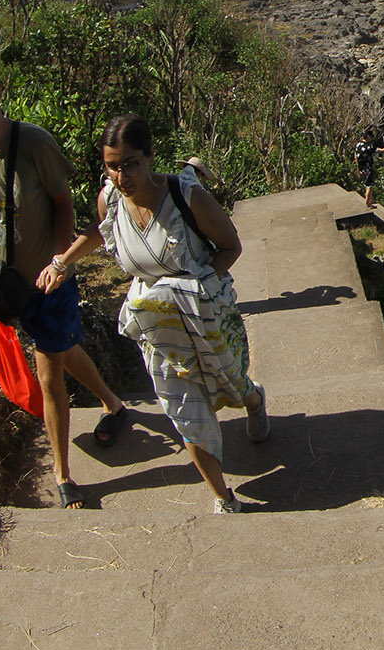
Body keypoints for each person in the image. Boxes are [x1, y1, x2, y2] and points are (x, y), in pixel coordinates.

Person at [45, 114, 270, 515]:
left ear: (150, 156)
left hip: (204, 316)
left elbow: (230, 246)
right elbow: (102, 230)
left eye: (130, 163)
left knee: (231, 386)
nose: (121, 175)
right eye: (112, 165)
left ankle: (254, 401)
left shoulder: (186, 197)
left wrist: (199, 284)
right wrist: (62, 263)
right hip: (158, 329)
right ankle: (224, 498)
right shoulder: (110, 198)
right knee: (184, 409)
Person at [0, 53, 128, 511]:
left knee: (48, 374)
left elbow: (63, 202)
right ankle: (113, 404)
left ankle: (63, 475)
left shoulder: (33, 143)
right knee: (62, 349)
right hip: (8, 287)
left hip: (50, 282)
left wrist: (60, 260)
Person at [354, 126, 384, 208]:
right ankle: (368, 203)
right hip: (369, 168)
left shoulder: (358, 145)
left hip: (362, 168)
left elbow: (356, 157)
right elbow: (383, 150)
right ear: (368, 136)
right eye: (371, 136)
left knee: (366, 184)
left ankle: (369, 199)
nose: (371, 138)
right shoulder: (370, 147)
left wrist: (359, 168)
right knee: (369, 186)